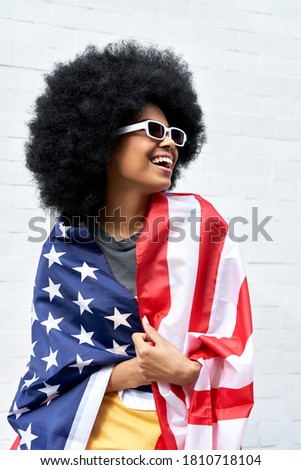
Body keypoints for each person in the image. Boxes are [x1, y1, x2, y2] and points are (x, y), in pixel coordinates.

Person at [8, 40, 254, 450]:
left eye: (175, 133)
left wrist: (186, 372)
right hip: (84, 432)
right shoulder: (64, 247)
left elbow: (235, 348)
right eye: (153, 131)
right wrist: (138, 370)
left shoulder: (202, 229)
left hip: (173, 432)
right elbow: (51, 372)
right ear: (102, 143)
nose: (171, 144)